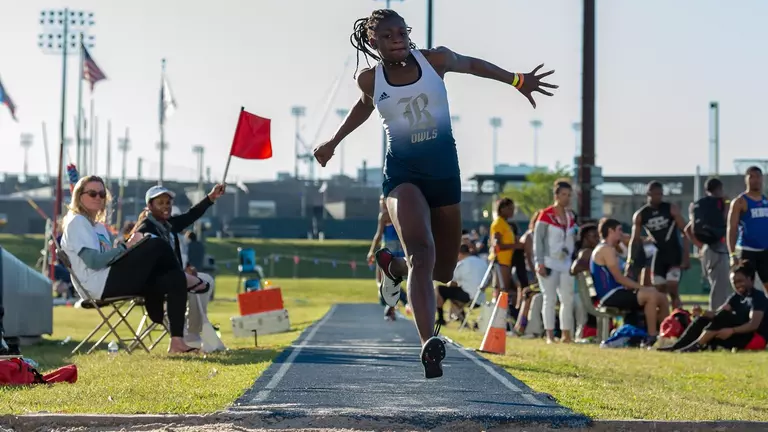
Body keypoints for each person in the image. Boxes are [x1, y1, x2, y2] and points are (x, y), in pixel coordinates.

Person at [312, 9, 557, 379]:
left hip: (444, 176)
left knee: (442, 270)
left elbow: (471, 64)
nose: (397, 38)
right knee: (422, 254)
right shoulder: (370, 79)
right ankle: (428, 343)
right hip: (402, 177)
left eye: (401, 31)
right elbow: (366, 106)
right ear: (373, 42)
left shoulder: (434, 60)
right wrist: (333, 141)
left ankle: (392, 268)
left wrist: (516, 79)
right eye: (387, 35)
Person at [60, 175, 196, 354]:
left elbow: (112, 257)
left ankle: (177, 341)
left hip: (111, 278)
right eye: (92, 194)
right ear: (79, 196)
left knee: (174, 278)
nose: (98, 198)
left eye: (102, 194)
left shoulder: (99, 227)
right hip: (97, 284)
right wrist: (127, 246)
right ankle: (157, 297)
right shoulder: (77, 222)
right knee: (155, 244)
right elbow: (94, 261)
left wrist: (129, 249)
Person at [133, 185, 225, 348]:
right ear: (150, 206)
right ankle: (185, 336)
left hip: (175, 276)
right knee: (188, 283)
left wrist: (211, 197)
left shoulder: (168, 225)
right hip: (155, 284)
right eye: (160, 203)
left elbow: (191, 215)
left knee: (206, 280)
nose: (165, 206)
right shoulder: (145, 228)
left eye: (168, 202)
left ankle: (193, 333)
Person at [591, 218, 670, 347]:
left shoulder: (611, 248)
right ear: (610, 231)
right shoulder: (606, 249)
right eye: (619, 230)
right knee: (650, 295)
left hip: (618, 291)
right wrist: (642, 288)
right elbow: (618, 278)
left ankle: (665, 337)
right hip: (610, 295)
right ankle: (651, 337)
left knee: (662, 298)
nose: (622, 233)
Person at [663, 266, 767, 353]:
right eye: (734, 282)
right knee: (703, 319)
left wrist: (732, 330)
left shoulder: (758, 297)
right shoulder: (736, 296)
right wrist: (702, 312)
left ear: (750, 279)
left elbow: (754, 325)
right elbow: (718, 315)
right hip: (737, 334)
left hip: (753, 338)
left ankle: (697, 345)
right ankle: (677, 346)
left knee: (725, 316)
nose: (737, 285)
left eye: (740, 281)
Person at [628, 181, 690, 309]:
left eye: (661, 194)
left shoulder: (670, 208)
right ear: (648, 194)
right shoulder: (641, 215)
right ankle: (665, 321)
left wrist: (686, 256)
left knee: (673, 287)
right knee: (659, 290)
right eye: (656, 194)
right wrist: (630, 261)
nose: (658, 197)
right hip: (659, 255)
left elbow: (686, 231)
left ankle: (678, 317)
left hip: (674, 252)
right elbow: (635, 240)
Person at [534, 181, 577, 344]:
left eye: (569, 195)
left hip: (566, 262)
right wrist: (539, 262)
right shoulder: (545, 215)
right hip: (548, 261)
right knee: (549, 298)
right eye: (564, 194)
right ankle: (550, 335)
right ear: (556, 195)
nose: (567, 198)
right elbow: (538, 241)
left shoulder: (571, 216)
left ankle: (566, 334)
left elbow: (573, 237)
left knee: (567, 298)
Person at [684, 178, 730, 310]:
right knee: (719, 289)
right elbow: (726, 220)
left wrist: (700, 245)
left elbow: (688, 229)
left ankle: (716, 316)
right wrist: (727, 202)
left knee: (716, 286)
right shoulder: (719, 203)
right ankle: (715, 320)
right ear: (720, 188)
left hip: (707, 250)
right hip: (718, 249)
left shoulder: (700, 205)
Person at [367, 194, 409, 321]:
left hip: (388, 252)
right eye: (380, 201)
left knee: (381, 281)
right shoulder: (401, 214)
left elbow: (378, 235)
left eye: (382, 201)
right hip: (401, 252)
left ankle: (403, 301)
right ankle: (393, 308)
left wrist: (371, 252)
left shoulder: (385, 215)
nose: (381, 203)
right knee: (392, 281)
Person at [728, 166, 768, 291]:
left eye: (758, 177)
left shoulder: (766, 200)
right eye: (752, 177)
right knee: (745, 287)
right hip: (747, 250)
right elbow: (732, 228)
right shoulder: (740, 202)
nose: (756, 180)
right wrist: (732, 254)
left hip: (765, 251)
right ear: (746, 179)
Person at [437, 244, 485, 325]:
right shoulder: (482, 262)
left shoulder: (462, 264)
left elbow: (452, 283)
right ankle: (461, 319)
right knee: (454, 294)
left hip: (468, 297)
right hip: (480, 298)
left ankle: (441, 319)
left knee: (439, 289)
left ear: (459, 254)